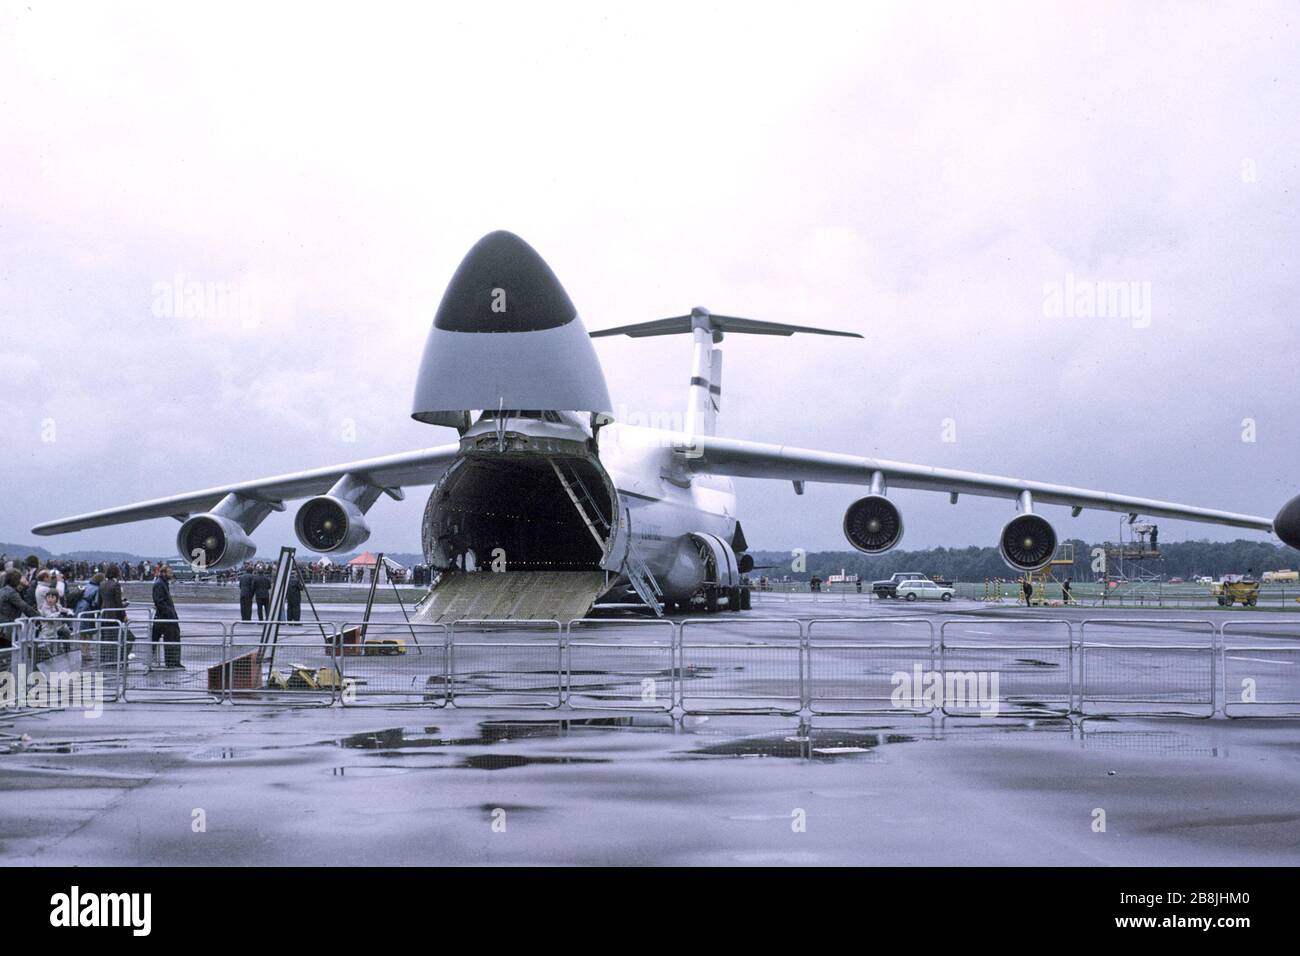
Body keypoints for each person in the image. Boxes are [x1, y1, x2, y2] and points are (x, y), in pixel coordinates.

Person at [151, 564, 182, 668]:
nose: (171, 574)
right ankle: (171, 662)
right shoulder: (159, 584)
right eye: (170, 573)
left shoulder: (163, 583)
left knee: (173, 638)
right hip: (165, 618)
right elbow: (159, 602)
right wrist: (169, 612)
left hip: (167, 616)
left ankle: (173, 661)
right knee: (170, 639)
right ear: (164, 573)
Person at [0, 569, 40, 644]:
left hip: (3, 626)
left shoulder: (3, 590)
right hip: (6, 628)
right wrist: (40, 617)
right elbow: (25, 607)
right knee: (14, 650)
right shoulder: (11, 593)